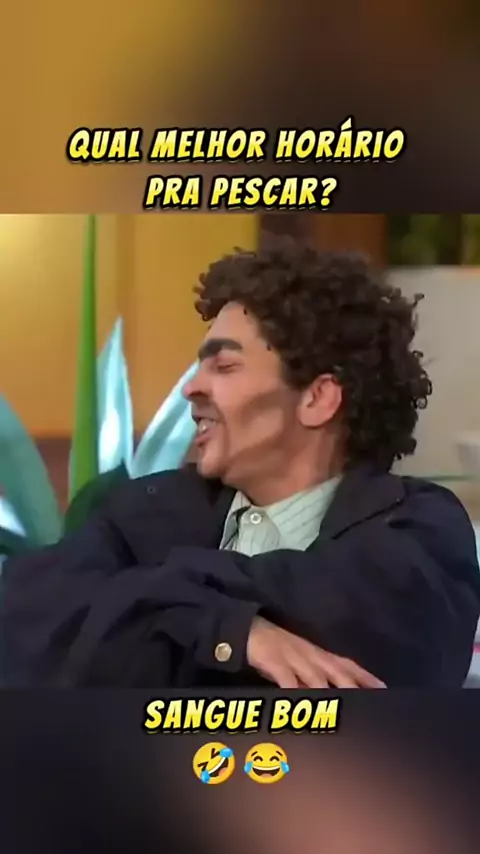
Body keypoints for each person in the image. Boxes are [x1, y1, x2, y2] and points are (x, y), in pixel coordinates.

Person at [1, 239, 479, 688]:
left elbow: (356, 624)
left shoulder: (419, 530)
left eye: (224, 366)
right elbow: (27, 619)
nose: (191, 388)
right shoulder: (144, 509)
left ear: (317, 398)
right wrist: (231, 629)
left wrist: (150, 611)